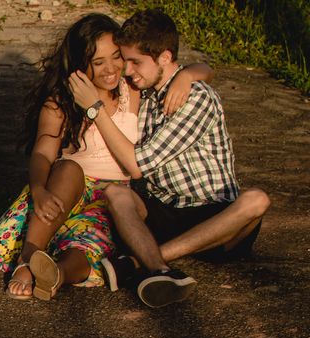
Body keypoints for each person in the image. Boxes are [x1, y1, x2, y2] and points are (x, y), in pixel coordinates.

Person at [0, 14, 211, 301]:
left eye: (116, 57)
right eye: (98, 63)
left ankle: (56, 274)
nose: (111, 69)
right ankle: (29, 257)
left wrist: (188, 75)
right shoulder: (61, 101)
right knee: (70, 168)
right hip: (65, 189)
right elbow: (42, 152)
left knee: (88, 244)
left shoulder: (131, 89)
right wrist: (38, 189)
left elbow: (195, 68)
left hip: (110, 196)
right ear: (80, 64)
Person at [69, 9, 269, 308]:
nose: (128, 71)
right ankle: (160, 270)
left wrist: (94, 109)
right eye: (128, 61)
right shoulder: (146, 88)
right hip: (165, 208)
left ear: (164, 57)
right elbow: (203, 67)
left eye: (136, 62)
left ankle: (140, 261)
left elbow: (136, 165)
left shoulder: (196, 98)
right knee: (115, 194)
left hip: (214, 213)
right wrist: (190, 71)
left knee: (256, 200)